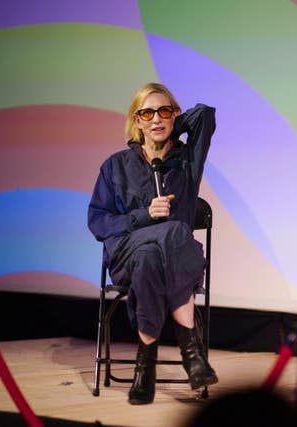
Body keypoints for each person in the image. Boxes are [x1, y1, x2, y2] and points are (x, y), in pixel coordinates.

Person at [88, 82, 218, 404]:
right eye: (147, 113)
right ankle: (192, 352)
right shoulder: (115, 166)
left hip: (165, 260)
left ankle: (144, 367)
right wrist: (143, 216)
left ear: (174, 114)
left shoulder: (187, 160)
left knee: (153, 254)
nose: (156, 119)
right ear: (136, 120)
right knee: (174, 231)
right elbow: (98, 222)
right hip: (125, 256)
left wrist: (174, 122)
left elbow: (205, 116)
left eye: (164, 111)